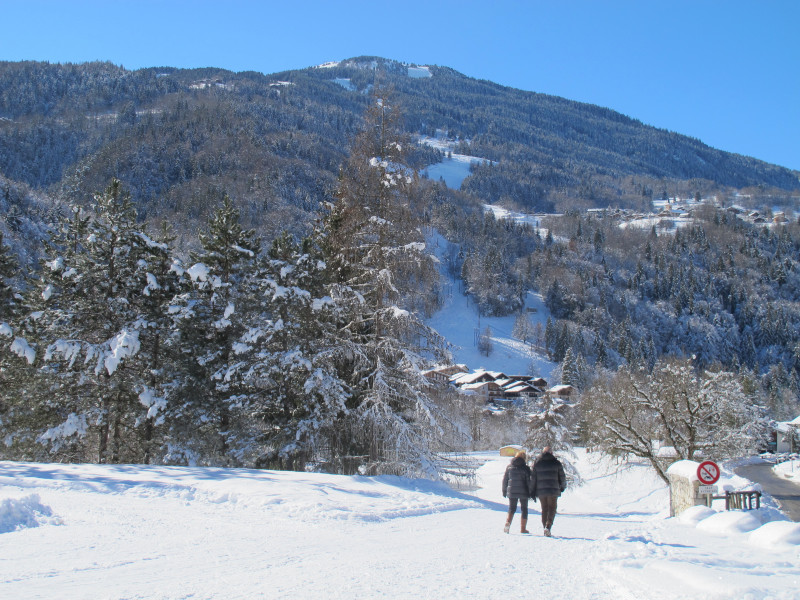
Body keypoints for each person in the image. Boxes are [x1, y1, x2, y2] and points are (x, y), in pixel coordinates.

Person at [530, 446, 567, 537]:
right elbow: (562, 477)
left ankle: (545, 528)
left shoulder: (537, 463)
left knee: (544, 509)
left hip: (541, 491)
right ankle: (548, 526)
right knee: (552, 509)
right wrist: (562, 487)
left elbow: (533, 478)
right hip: (553, 490)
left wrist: (532, 491)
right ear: (551, 453)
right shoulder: (556, 463)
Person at [502, 450, 531, 534]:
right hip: (523, 491)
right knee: (524, 509)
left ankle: (508, 523)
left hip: (511, 491)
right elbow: (529, 481)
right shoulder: (526, 468)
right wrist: (531, 491)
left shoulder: (509, 467)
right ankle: (523, 528)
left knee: (512, 508)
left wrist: (504, 490)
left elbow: (505, 480)